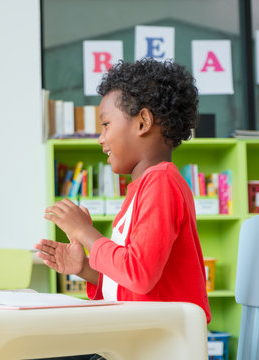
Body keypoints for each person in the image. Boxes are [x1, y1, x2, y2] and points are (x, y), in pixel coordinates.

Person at [35, 59, 211, 336]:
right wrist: (84, 269)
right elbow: (132, 282)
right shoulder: (142, 188)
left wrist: (85, 232)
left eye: (106, 124)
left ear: (143, 122)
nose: (100, 138)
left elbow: (138, 274)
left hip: (165, 343)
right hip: (146, 337)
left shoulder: (161, 182)